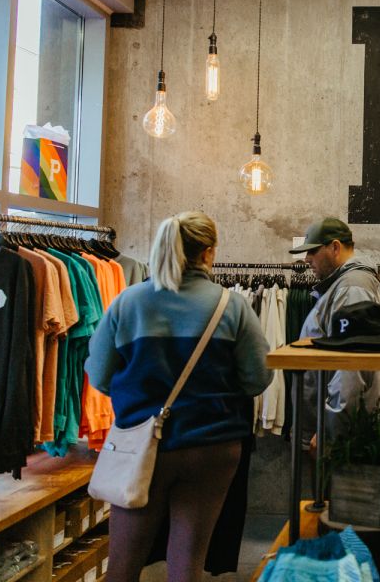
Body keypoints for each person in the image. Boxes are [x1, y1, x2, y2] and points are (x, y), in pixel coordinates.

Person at [86, 211, 272, 582]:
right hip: (213, 446)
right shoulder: (230, 306)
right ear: (208, 253)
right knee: (187, 566)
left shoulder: (128, 303)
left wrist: (140, 396)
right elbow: (258, 378)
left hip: (142, 446)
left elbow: (99, 375)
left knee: (122, 566)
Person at [290, 217, 380, 453]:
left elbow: (352, 365)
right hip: (336, 425)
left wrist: (331, 428)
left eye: (312, 251)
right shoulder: (345, 284)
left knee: (333, 490)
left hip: (338, 432)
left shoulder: (352, 287)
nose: (306, 259)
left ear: (335, 247)